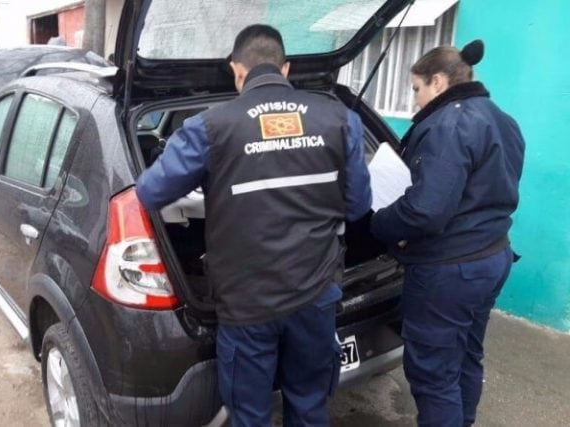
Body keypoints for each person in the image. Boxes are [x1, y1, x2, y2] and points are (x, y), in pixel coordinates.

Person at [136, 24, 371, 426]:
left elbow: (150, 192)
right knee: (310, 406)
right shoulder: (341, 120)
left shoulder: (210, 126)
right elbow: (358, 205)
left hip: (248, 304)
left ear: (236, 71)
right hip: (315, 296)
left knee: (249, 415)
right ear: (287, 68)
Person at [370, 40, 525, 427]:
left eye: (417, 89)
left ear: (438, 82)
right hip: (493, 256)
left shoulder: (448, 126)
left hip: (448, 271)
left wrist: (376, 225)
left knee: (434, 374)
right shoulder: (501, 118)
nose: (416, 101)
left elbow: (425, 211)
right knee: (466, 357)